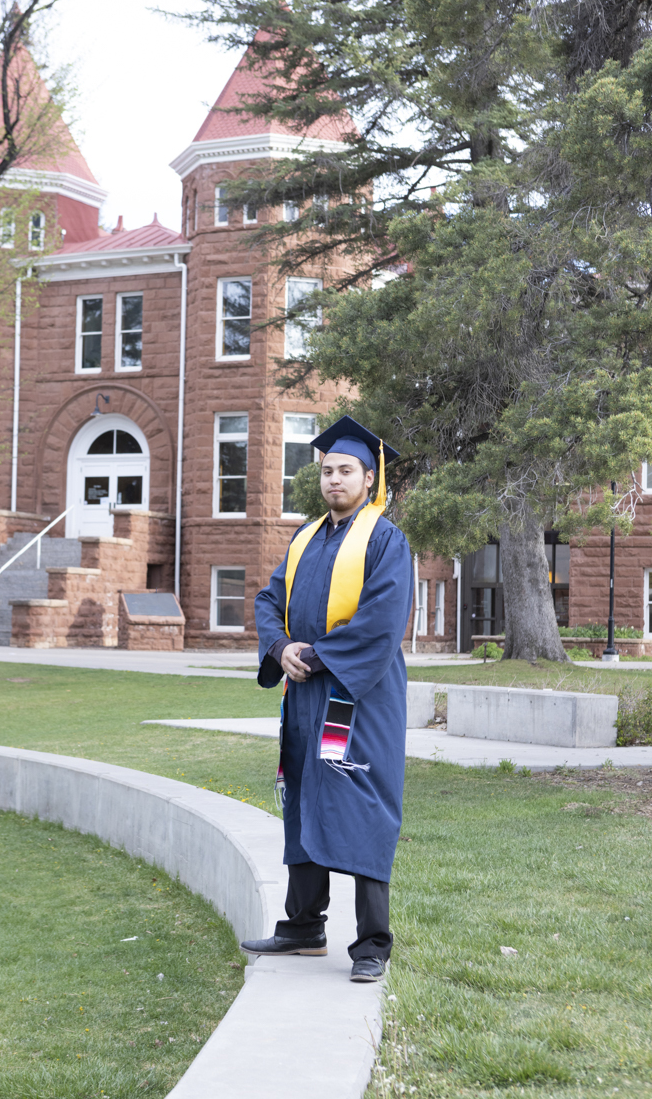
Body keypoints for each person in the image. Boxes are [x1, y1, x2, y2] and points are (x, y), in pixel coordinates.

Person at [242, 415, 413, 982]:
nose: (334, 480)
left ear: (369, 478)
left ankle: (371, 945)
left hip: (353, 698)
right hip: (306, 696)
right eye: (326, 471)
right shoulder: (305, 538)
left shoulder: (386, 540)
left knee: (360, 800)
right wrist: (280, 645)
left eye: (346, 471)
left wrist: (311, 657)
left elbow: (381, 623)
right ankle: (303, 927)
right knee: (304, 797)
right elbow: (269, 599)